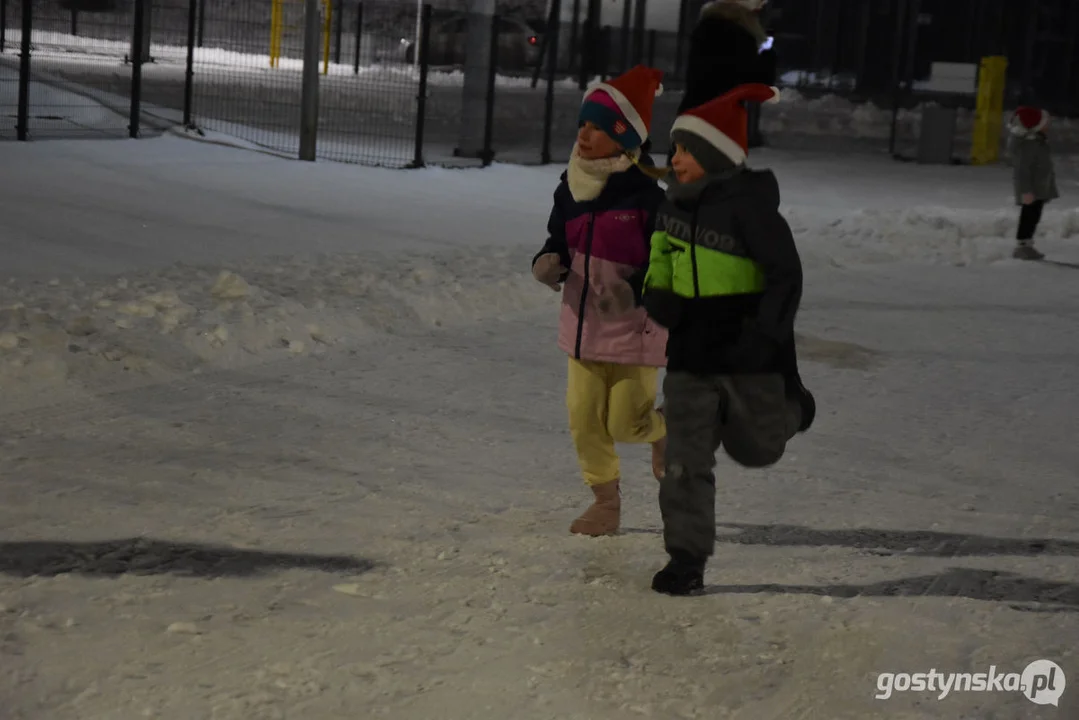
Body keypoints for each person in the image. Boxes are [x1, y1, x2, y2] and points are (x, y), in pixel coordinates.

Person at [596, 84, 816, 594]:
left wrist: (766, 335)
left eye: (686, 150)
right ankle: (686, 560)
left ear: (717, 156)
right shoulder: (673, 208)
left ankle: (795, 407)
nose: (674, 159)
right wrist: (652, 294)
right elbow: (661, 262)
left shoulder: (751, 211)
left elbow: (785, 276)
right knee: (683, 461)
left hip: (749, 354)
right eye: (674, 149)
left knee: (757, 449)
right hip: (692, 353)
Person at [531, 65, 669, 537]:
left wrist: (648, 291)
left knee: (627, 422)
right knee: (584, 420)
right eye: (582, 125)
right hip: (582, 325)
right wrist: (548, 260)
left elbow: (667, 263)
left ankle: (664, 430)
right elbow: (557, 240)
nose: (584, 135)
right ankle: (605, 504)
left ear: (624, 138)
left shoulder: (649, 198)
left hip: (634, 331)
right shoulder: (571, 187)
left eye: (598, 127)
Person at [669, 0, 775, 162]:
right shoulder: (737, 34)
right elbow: (757, 81)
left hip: (693, 116)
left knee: (687, 179)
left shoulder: (707, 26)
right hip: (718, 126)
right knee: (713, 180)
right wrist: (768, 55)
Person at [1008, 106, 1059, 261]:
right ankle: (1022, 246)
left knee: (1034, 216)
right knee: (1029, 217)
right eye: (1046, 123)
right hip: (1031, 190)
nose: (1048, 126)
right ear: (1036, 125)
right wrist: (1026, 191)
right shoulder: (1027, 145)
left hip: (1038, 187)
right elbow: (1022, 171)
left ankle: (1027, 244)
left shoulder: (1037, 141)